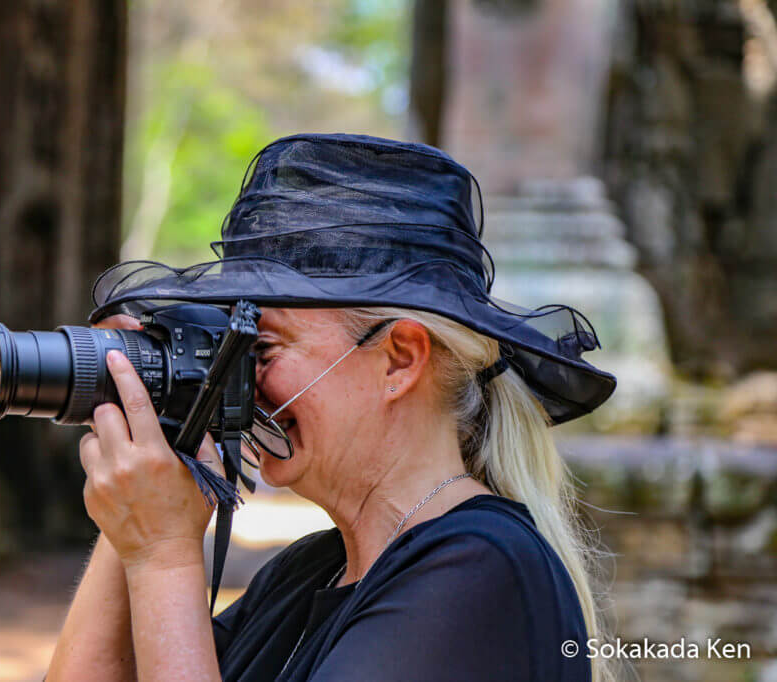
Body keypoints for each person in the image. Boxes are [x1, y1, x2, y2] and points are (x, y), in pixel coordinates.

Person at [46, 134, 618, 682]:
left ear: (399, 360)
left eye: (261, 348)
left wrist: (165, 557)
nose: (239, 376)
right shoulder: (309, 573)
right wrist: (140, 490)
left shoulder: (481, 573)